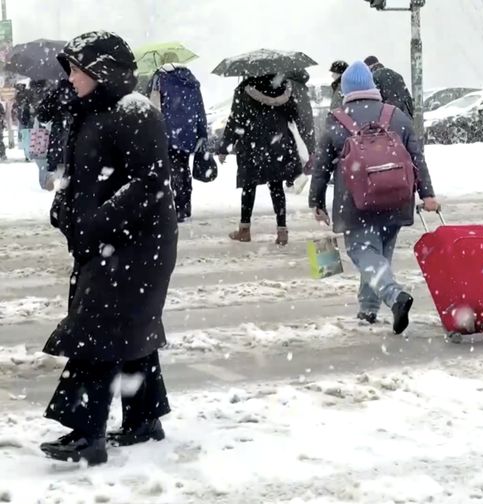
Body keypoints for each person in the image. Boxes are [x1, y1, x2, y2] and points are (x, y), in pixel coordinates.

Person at [39, 31, 177, 466]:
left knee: (97, 331)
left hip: (136, 245)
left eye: (78, 70)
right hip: (108, 242)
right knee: (129, 326)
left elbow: (148, 182)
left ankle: (87, 434)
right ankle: (143, 418)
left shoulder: (134, 112)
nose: (72, 78)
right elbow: (84, 172)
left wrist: (99, 222)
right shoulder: (93, 110)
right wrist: (64, 206)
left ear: (101, 71)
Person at [309, 61, 438, 334]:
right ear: (372, 87)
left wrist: (316, 202)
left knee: (364, 253)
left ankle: (394, 296)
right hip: (396, 200)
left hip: (356, 203)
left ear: (345, 89)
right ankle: (368, 310)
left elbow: (321, 167)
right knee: (379, 256)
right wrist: (427, 194)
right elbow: (417, 159)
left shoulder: (336, 120)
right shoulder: (397, 116)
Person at [217, 74, 306, 245]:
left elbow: (235, 120)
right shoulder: (284, 89)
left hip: (252, 145)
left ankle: (244, 230)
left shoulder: (245, 90)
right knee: (277, 187)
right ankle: (282, 231)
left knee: (249, 187)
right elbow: (295, 115)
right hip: (278, 144)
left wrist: (225, 147)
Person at [149, 54, 208, 223]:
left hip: (167, 131)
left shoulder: (160, 78)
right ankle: (185, 205)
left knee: (169, 170)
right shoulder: (192, 80)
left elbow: (154, 106)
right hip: (188, 133)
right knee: (183, 168)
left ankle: (175, 207)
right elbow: (199, 108)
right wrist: (202, 132)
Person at [35, 79, 76, 190]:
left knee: (59, 158)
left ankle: (57, 179)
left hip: (59, 133)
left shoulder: (55, 94)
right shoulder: (82, 91)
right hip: (77, 133)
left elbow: (42, 116)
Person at [13, 83, 33, 161]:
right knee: (26, 136)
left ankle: (28, 154)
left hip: (26, 117)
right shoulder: (19, 95)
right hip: (24, 118)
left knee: (26, 136)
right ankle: (27, 154)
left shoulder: (25, 94)